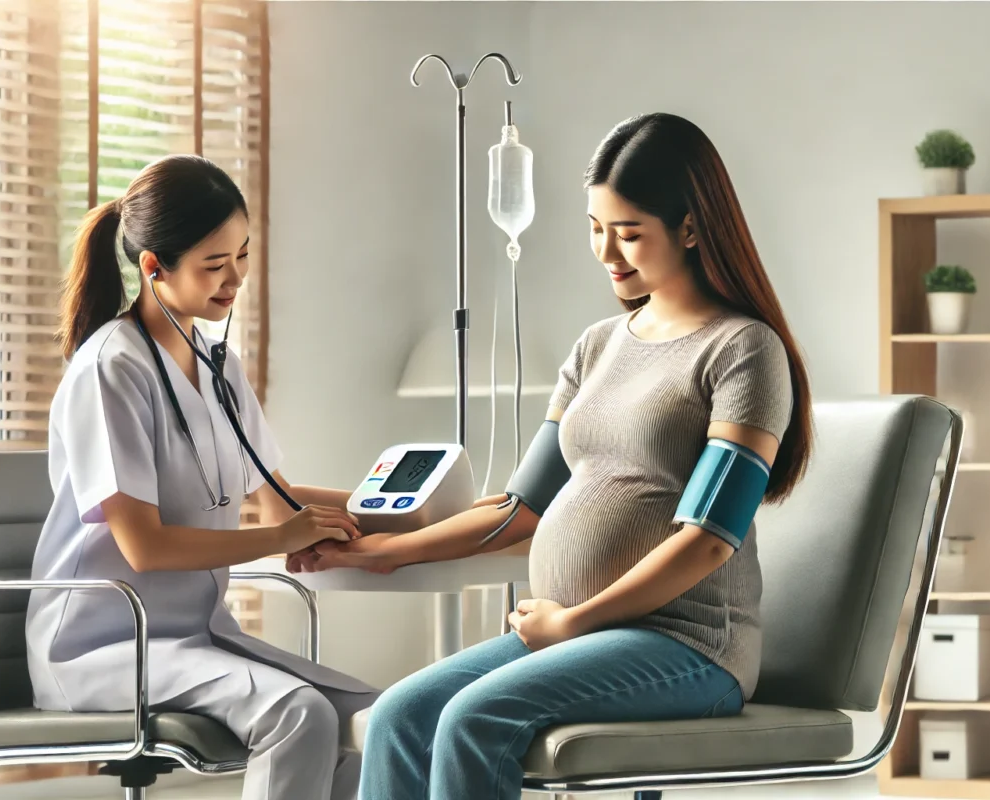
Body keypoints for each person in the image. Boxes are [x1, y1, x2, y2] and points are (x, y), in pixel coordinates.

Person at [291, 113, 815, 800]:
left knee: (474, 719)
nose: (607, 252)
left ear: (690, 228)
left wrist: (574, 620)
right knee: (398, 716)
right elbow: (518, 509)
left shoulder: (743, 350)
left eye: (629, 233)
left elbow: (708, 541)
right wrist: (387, 549)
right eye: (595, 227)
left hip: (686, 646)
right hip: (575, 635)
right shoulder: (598, 346)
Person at [26, 154, 377, 800]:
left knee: (378, 717)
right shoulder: (112, 369)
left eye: (242, 256)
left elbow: (278, 502)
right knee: (297, 714)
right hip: (100, 649)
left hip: (196, 635)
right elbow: (146, 546)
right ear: (154, 268)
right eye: (214, 266)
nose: (235, 279)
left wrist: (414, 506)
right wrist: (284, 536)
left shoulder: (219, 366)